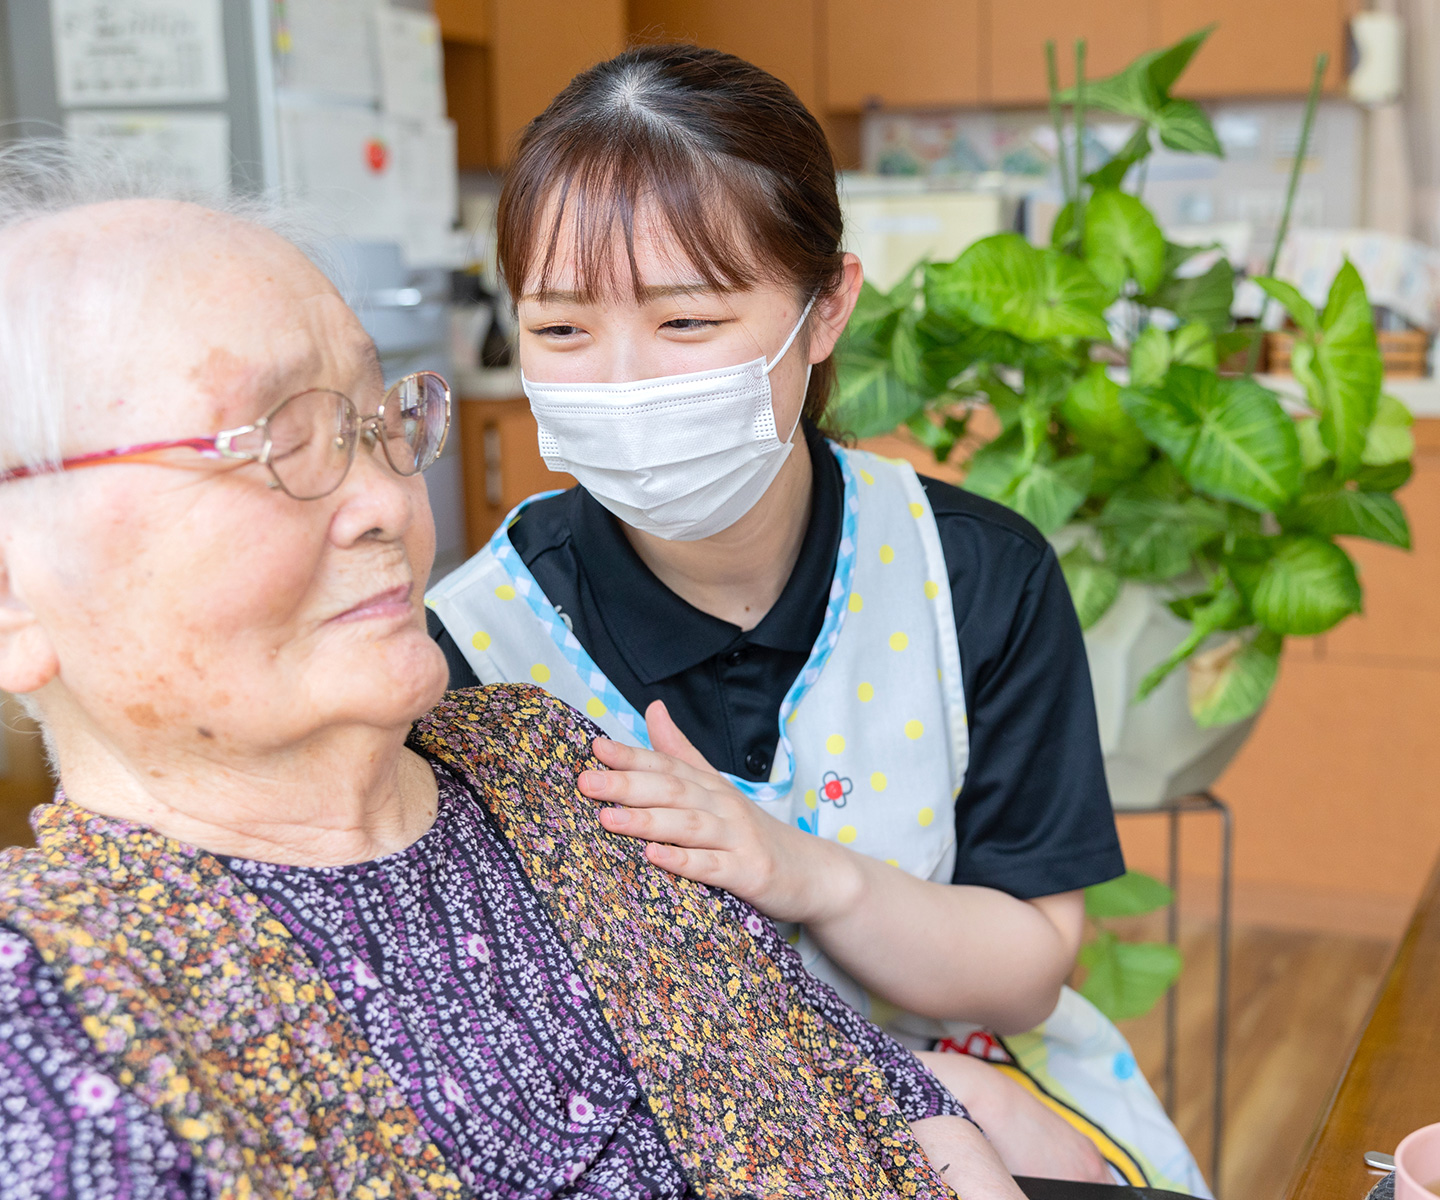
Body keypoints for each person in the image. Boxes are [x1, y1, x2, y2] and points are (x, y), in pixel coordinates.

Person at [0, 144, 1024, 1200]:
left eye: (373, 422)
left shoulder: (543, 760)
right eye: (282, 444)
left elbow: (865, 1094)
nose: (393, 509)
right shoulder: (52, 1024)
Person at [425, 44, 1203, 1193]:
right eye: (562, 330)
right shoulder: (473, 649)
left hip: (997, 1100)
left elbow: (1027, 969)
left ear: (826, 307)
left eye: (686, 322)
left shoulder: (973, 578)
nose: (623, 381)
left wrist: (804, 873)